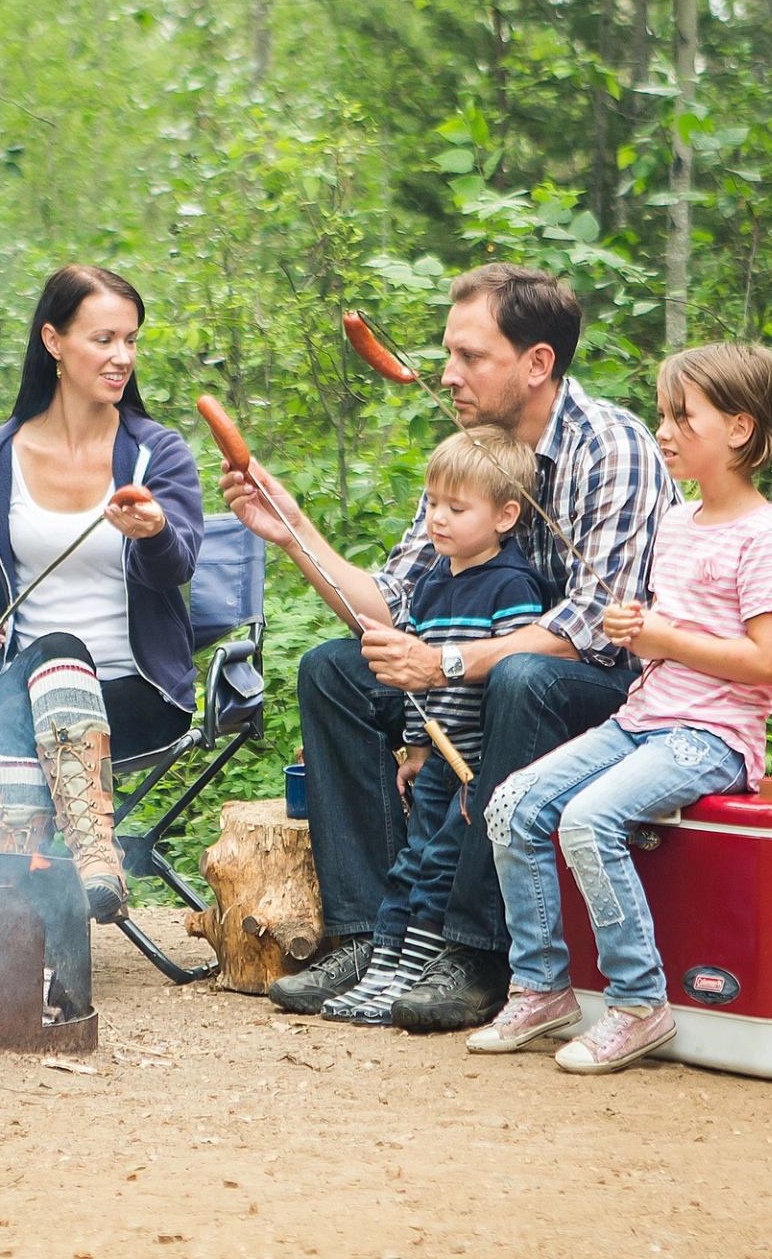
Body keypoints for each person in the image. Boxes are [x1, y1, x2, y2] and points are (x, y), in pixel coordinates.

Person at [223, 262, 676, 1031]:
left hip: (601, 700)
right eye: (448, 354)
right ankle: (374, 934)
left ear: (537, 363)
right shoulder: (472, 455)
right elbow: (388, 606)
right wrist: (292, 528)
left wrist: (447, 665)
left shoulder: (613, 450)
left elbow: (593, 628)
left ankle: (475, 950)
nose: (447, 374)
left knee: (522, 677)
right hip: (478, 684)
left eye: (471, 356)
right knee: (333, 669)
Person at [468, 342, 772, 1072]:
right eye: (662, 414)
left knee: (588, 822)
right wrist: (638, 629)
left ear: (739, 430)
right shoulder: (678, 521)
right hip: (642, 721)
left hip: (711, 737)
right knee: (514, 805)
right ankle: (542, 989)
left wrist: (664, 636)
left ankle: (638, 1003)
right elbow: (664, 631)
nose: (665, 431)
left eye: (683, 417)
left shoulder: (766, 537)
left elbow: (767, 661)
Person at [0, 265, 204, 921]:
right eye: (104, 339)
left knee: (42, 683)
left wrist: (151, 532)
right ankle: (92, 857)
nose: (122, 357)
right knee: (49, 661)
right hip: (24, 688)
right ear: (54, 342)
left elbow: (176, 566)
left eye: (131, 340)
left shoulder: (157, 455)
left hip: (139, 694)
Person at [318, 425, 546, 1026]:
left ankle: (418, 972)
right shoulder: (433, 582)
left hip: (478, 761)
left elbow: (511, 679)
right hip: (442, 757)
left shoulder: (512, 586)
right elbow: (417, 676)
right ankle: (386, 973)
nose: (437, 520)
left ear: (505, 515)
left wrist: (488, 774)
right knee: (413, 861)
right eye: (434, 504)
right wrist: (416, 748)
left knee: (441, 864)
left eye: (455, 508)